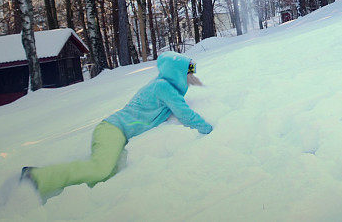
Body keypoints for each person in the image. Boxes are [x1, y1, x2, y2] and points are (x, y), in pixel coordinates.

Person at [20, 51, 212, 201]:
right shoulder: (163, 87)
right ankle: (36, 176)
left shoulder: (162, 86)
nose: (192, 76)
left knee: (106, 175)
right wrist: (210, 130)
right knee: (100, 169)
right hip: (113, 130)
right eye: (189, 72)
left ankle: (57, 191)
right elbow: (185, 114)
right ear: (176, 72)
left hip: (115, 131)